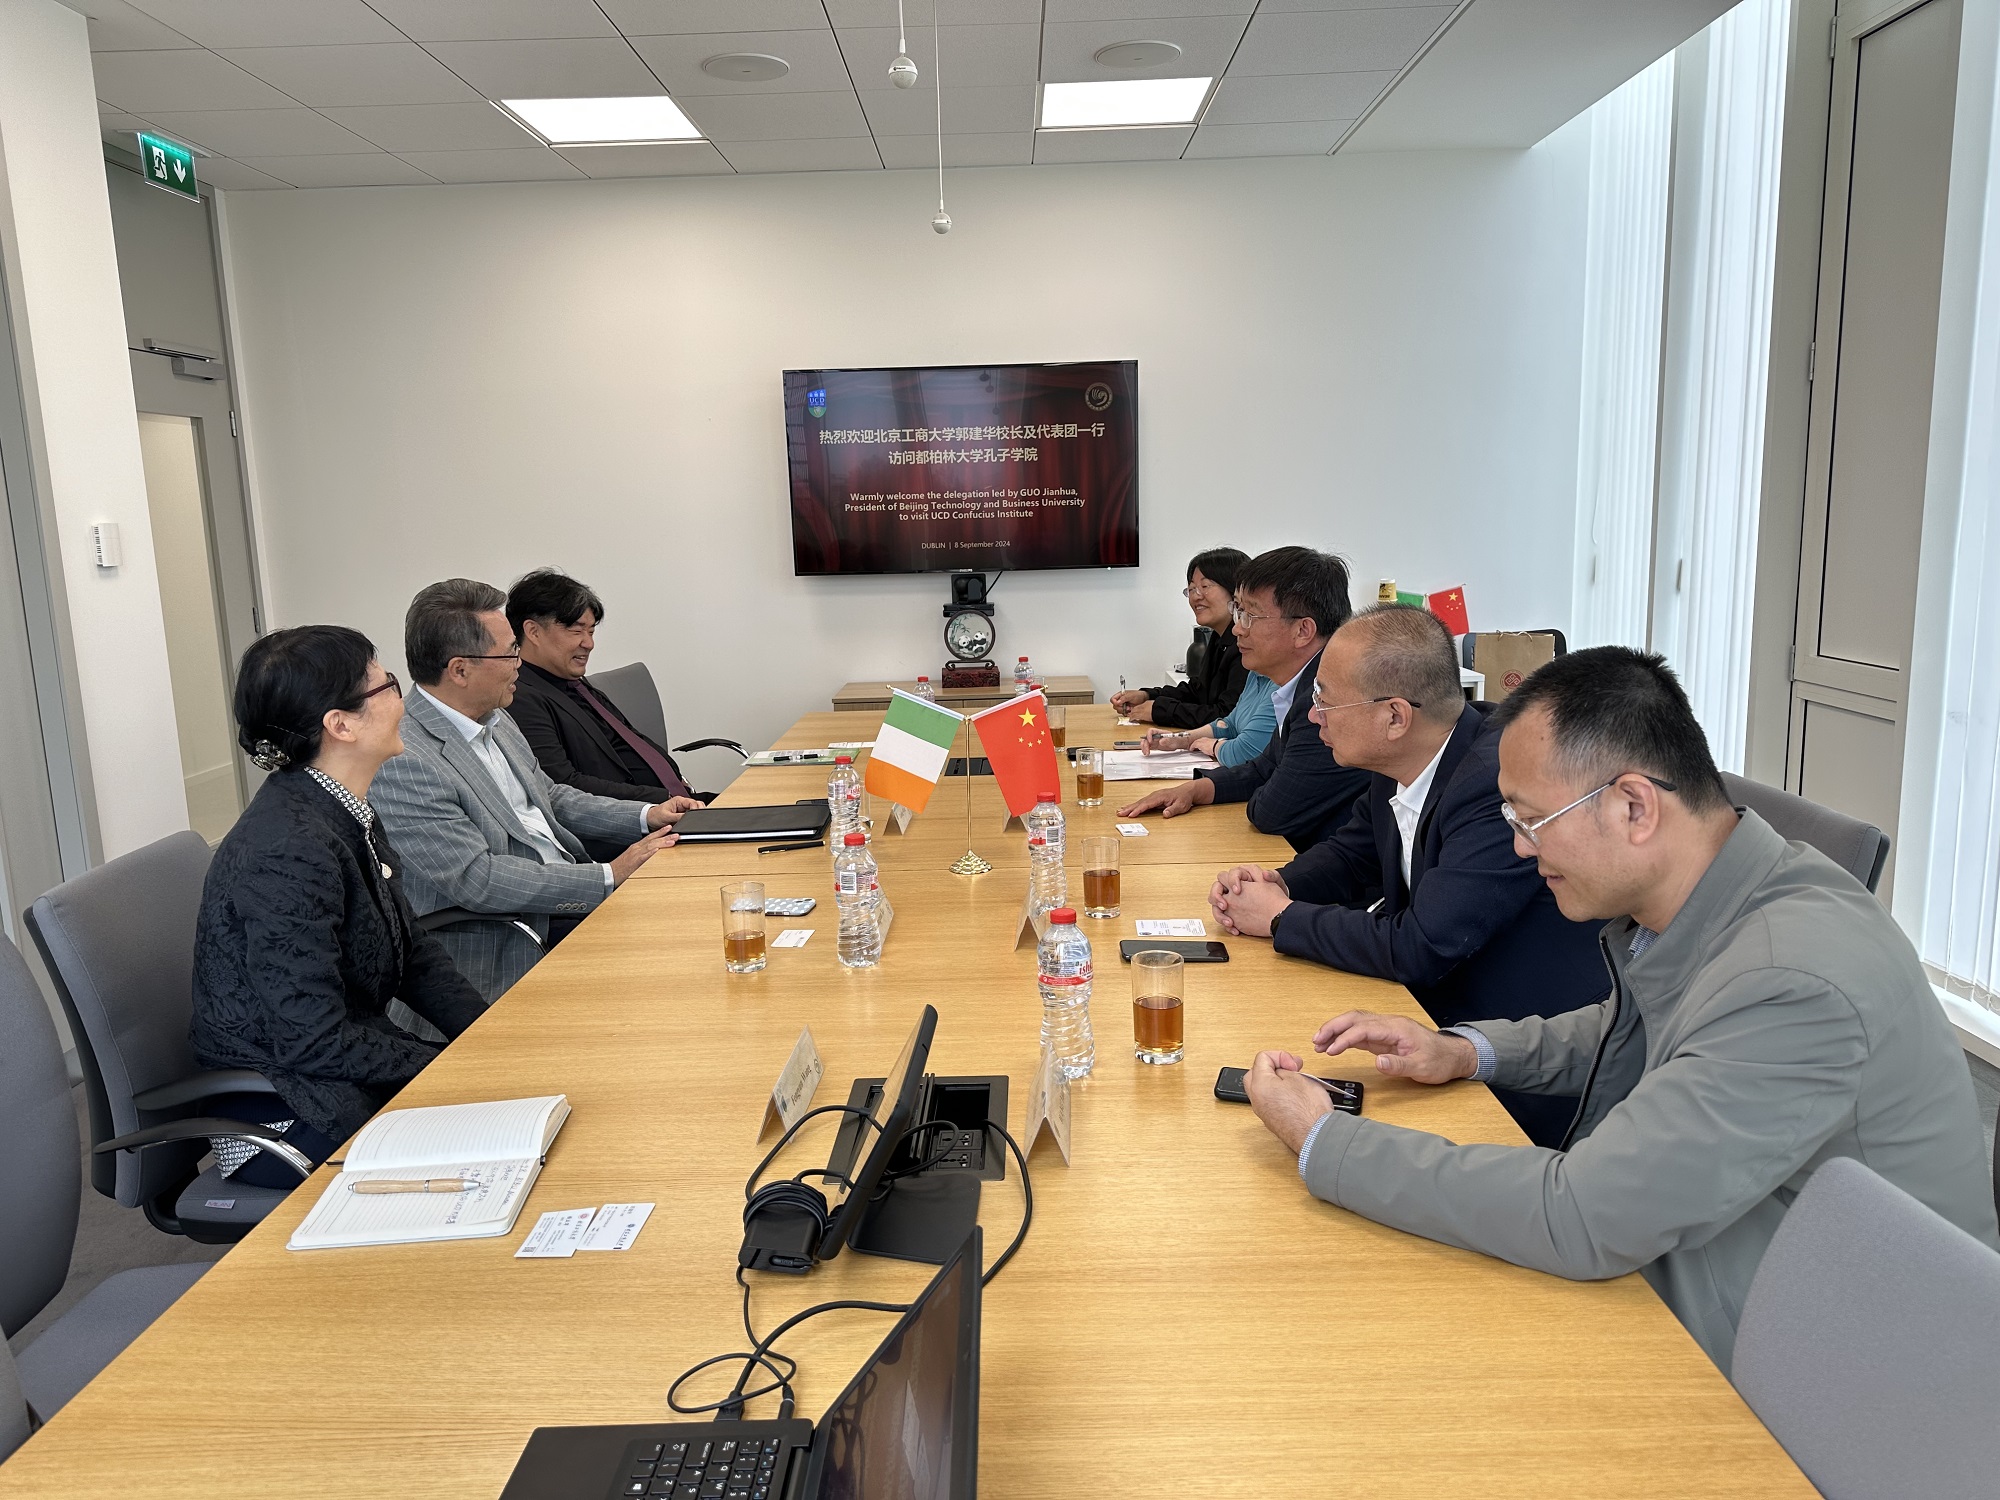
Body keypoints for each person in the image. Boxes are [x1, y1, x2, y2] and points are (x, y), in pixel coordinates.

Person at [1242, 646, 1998, 1375]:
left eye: (1529, 820)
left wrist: (1325, 1141)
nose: (1520, 848)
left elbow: (1583, 1216)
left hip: (1827, 1372)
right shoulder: (1729, 888)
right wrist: (1466, 1051)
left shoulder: (1792, 980)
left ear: (1635, 807)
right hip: (1730, 1268)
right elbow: (1634, 1027)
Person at [1207, 606, 1605, 1146]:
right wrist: (1280, 884)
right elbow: (1354, 853)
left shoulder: (1494, 781)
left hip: (1526, 1070)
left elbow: (1422, 945)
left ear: (1395, 717)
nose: (1314, 716)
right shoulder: (1409, 757)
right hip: (1436, 1026)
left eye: (1325, 700)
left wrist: (1282, 919)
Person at [190, 626, 489, 1186]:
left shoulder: (339, 809)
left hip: (341, 1069)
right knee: (506, 1140)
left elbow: (411, 952)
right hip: (285, 1115)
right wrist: (453, 1066)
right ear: (341, 725)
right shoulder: (286, 850)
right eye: (388, 685)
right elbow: (312, 1039)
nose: (402, 699)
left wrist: (489, 1038)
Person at [371, 579, 695, 1001]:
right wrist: (609, 875)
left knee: (692, 909)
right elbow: (477, 878)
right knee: (678, 955)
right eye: (510, 652)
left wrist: (646, 816)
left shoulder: (497, 718)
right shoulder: (404, 758)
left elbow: (550, 797)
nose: (520, 662)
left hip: (562, 900)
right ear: (460, 670)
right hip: (507, 936)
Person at [1117, 546, 1368, 851]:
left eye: (1250, 615)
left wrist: (1260, 787)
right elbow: (1262, 769)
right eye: (1238, 612)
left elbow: (1271, 812)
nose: (1237, 628)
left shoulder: (1326, 702)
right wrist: (1195, 790)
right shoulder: (1298, 684)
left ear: (1303, 630)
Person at [504, 567, 709, 862]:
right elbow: (562, 784)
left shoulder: (572, 683)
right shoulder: (520, 697)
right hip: (626, 836)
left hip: (671, 810)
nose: (589, 643)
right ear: (533, 631)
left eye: (591, 632)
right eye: (576, 631)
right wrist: (656, 802)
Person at [1109, 547, 1248, 727]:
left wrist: (1160, 710)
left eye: (1205, 586)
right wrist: (1147, 695)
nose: (1195, 596)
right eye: (1191, 589)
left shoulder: (1245, 644)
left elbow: (1226, 717)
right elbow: (1198, 692)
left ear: (1236, 590)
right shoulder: (1219, 638)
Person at [1139, 667, 1277, 767]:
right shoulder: (1256, 673)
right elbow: (1230, 725)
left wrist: (1215, 746)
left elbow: (1245, 753)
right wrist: (1180, 739)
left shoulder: (1280, 686)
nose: (1237, 636)